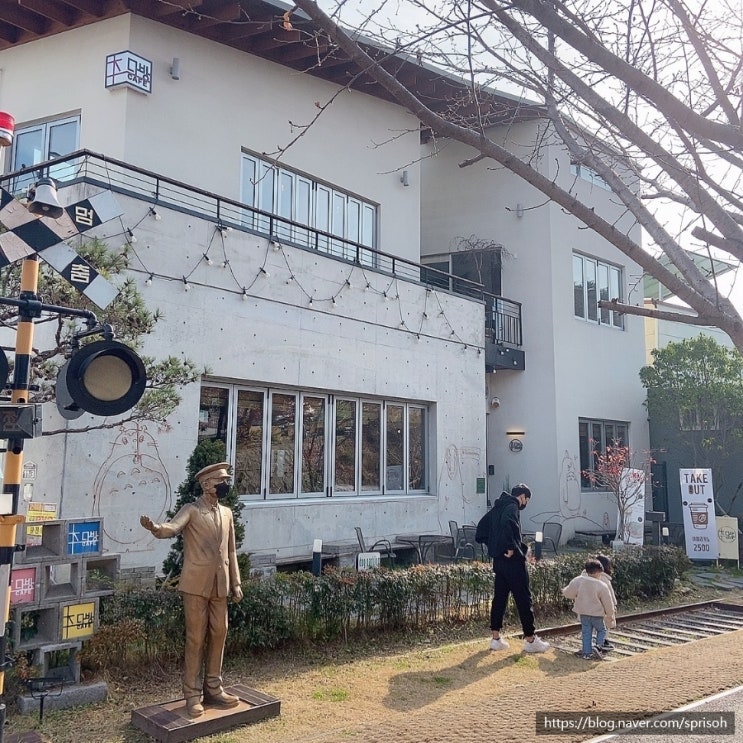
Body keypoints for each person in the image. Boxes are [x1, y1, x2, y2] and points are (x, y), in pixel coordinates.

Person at [140, 462, 243, 717]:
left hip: (221, 584)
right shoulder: (192, 510)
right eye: (220, 481)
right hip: (196, 585)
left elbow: (231, 550)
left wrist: (236, 582)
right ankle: (192, 695)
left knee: (220, 632)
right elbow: (172, 528)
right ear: (207, 484)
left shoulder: (227, 513)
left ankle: (214, 688)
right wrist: (155, 528)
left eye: (225, 480)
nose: (224, 485)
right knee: (196, 639)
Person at [483, 484, 550, 653]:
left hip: (499, 561)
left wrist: (495, 548)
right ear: (523, 497)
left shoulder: (498, 506)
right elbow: (507, 523)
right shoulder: (512, 506)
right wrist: (510, 547)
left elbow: (481, 528)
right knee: (523, 599)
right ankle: (531, 639)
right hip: (514, 563)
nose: (525, 503)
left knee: (499, 599)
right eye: (526, 500)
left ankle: (496, 638)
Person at [562, 558, 616, 660]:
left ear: (586, 571)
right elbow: (608, 602)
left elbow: (568, 592)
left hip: (583, 613)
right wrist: (610, 614)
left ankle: (587, 653)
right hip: (597, 614)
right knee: (602, 630)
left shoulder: (578, 580)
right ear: (600, 571)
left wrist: (570, 593)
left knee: (586, 632)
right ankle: (598, 646)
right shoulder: (602, 585)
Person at [595, 553, 617, 651]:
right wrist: (613, 606)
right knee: (604, 626)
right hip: (602, 607)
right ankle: (602, 642)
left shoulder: (584, 576)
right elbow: (609, 595)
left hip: (587, 607)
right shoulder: (605, 579)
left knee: (589, 627)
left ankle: (589, 644)